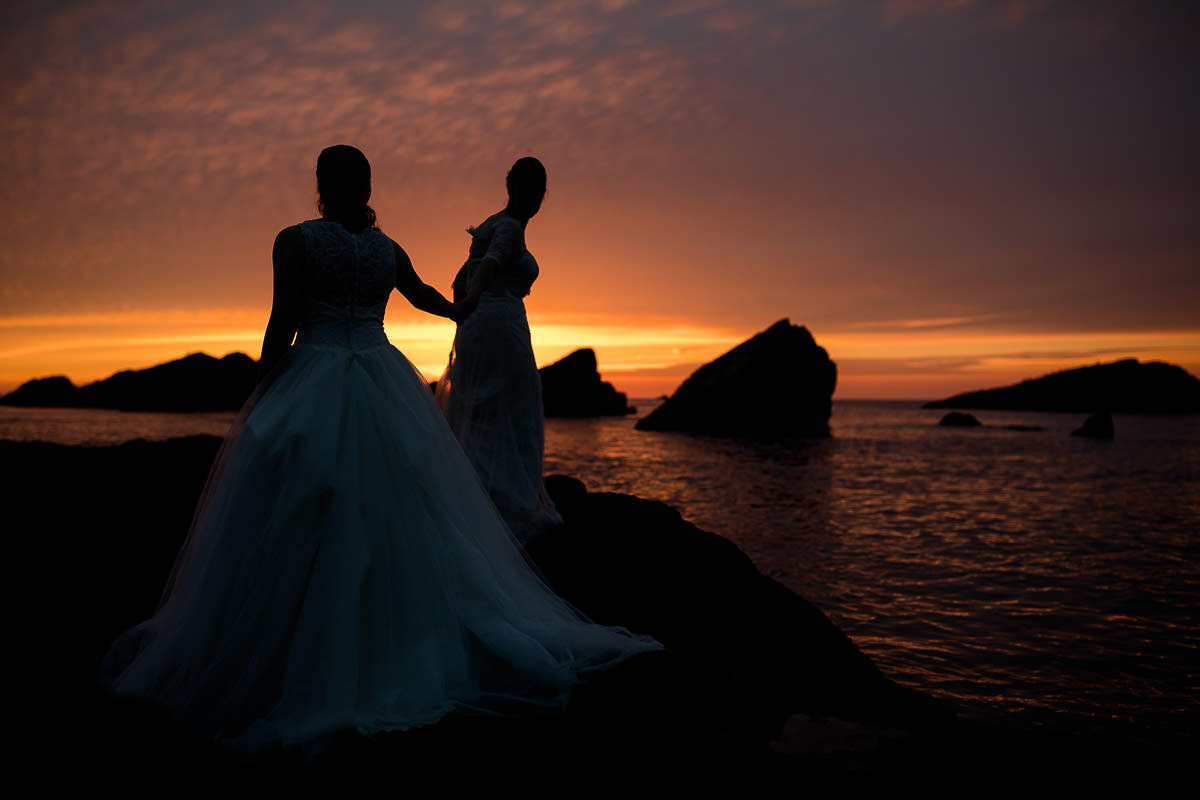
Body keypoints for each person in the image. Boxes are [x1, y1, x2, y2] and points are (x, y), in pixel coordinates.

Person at [99, 145, 661, 753]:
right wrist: (463, 311)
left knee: (297, 495)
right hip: (380, 374)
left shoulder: (294, 240)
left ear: (320, 185)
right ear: (365, 186)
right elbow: (422, 296)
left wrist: (263, 393)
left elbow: (282, 321)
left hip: (314, 371)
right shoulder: (385, 248)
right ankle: (390, 629)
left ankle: (295, 636)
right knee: (399, 501)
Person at [436, 157, 561, 544]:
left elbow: (461, 276)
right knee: (513, 410)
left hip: (481, 327)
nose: (534, 197)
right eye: (528, 188)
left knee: (484, 412)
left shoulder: (491, 223)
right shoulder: (506, 227)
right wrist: (471, 304)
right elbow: (488, 266)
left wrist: (465, 317)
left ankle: (477, 497)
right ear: (511, 187)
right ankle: (508, 507)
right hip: (500, 326)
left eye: (540, 190)